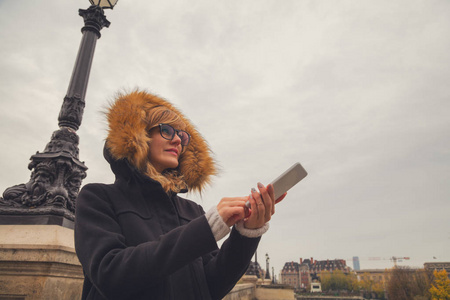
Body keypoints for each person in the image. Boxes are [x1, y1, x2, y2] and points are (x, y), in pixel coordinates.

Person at [74, 90, 286, 300]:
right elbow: (111, 275)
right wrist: (206, 229)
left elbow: (212, 286)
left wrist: (246, 233)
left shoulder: (192, 211)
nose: (177, 140)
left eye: (181, 135)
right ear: (140, 134)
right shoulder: (98, 198)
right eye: (167, 130)